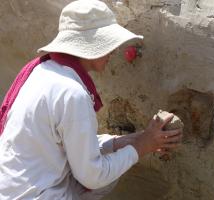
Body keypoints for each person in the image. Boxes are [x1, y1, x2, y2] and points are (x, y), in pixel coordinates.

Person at [0, 0, 182, 199]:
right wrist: (142, 146)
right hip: (35, 195)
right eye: (108, 44)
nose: (113, 51)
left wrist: (141, 138)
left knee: (110, 164)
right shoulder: (72, 93)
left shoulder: (43, 71)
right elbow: (93, 176)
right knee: (105, 175)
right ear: (90, 45)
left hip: (11, 188)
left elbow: (71, 146)